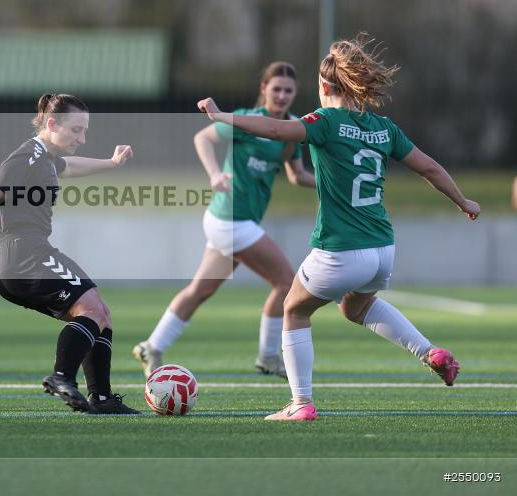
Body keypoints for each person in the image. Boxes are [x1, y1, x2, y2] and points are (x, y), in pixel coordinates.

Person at [198, 35, 481, 421]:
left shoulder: (325, 122)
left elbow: (276, 130)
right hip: (382, 248)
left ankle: (301, 403)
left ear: (324, 85)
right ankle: (430, 353)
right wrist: (463, 201)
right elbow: (429, 168)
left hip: (341, 249)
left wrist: (222, 116)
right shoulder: (384, 127)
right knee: (356, 307)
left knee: (294, 309)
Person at [0, 93, 139, 414]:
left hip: (29, 253)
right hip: (23, 256)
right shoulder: (27, 156)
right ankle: (62, 377)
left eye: (85, 131)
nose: (82, 139)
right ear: (52, 124)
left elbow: (70, 167)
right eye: (76, 130)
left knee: (100, 314)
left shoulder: (46, 158)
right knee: (92, 309)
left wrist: (111, 163)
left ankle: (102, 398)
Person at [133, 62, 315, 379]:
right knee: (287, 282)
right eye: (276, 89)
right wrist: (214, 174)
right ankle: (268, 357)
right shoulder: (247, 120)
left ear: (295, 92)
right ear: (264, 89)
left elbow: (296, 175)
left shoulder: (291, 129)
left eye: (288, 90)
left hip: (233, 223)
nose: (282, 95)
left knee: (200, 290)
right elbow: (203, 138)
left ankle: (152, 346)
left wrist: (330, 185)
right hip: (232, 220)